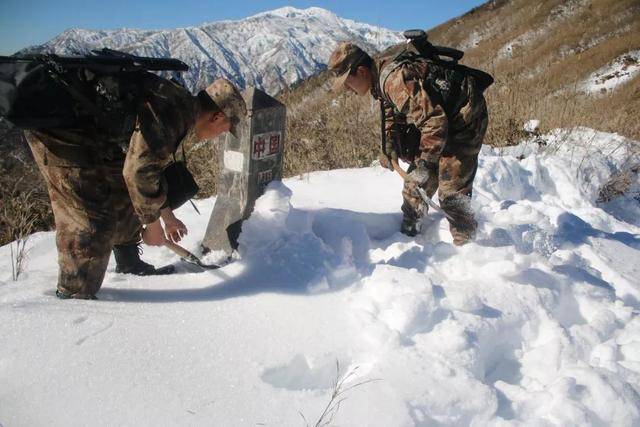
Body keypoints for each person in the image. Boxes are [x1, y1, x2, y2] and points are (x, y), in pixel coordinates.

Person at [25, 75, 247, 299]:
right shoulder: (173, 114)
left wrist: (166, 217)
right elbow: (138, 172)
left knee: (124, 195)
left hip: (93, 139)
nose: (222, 134)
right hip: (60, 132)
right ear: (217, 116)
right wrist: (152, 226)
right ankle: (72, 297)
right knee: (91, 223)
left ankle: (129, 263)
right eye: (226, 128)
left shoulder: (181, 107)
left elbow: (146, 170)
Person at [328, 40, 489, 245]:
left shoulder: (394, 80)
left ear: (361, 71)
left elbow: (434, 122)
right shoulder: (381, 77)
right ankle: (409, 238)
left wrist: (425, 164)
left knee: (451, 194)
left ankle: (469, 246)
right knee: (414, 187)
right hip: (442, 121)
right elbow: (390, 112)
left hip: (465, 118)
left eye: (347, 83)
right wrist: (388, 146)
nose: (348, 89)